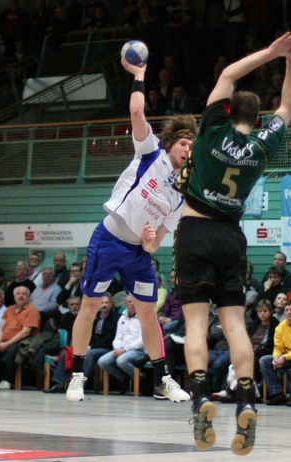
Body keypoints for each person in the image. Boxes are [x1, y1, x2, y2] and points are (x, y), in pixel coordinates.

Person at [172, 31, 291, 456]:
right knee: (234, 323)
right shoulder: (263, 145)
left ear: (228, 109)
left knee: (196, 325)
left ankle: (201, 397)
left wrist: (271, 52)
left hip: (195, 231)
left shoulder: (212, 130)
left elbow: (229, 74)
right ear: (257, 118)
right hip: (232, 236)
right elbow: (288, 107)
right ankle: (247, 400)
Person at [66, 54, 197, 404]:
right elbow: (137, 112)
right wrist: (139, 75)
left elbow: (156, 246)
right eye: (184, 143)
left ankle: (162, 380)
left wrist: (151, 242)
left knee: (148, 313)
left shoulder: (180, 197)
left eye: (192, 147)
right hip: (109, 240)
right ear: (171, 143)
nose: (188, 150)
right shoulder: (150, 152)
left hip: (138, 254)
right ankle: (77, 375)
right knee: (89, 306)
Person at [96, 294, 147, 393]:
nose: (132, 304)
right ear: (126, 304)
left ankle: (140, 379)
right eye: (129, 302)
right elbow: (118, 337)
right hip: (121, 349)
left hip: (138, 350)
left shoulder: (143, 317)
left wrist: (125, 349)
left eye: (134, 302)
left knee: (121, 360)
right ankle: (124, 379)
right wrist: (117, 348)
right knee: (102, 361)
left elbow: (143, 340)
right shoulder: (122, 317)